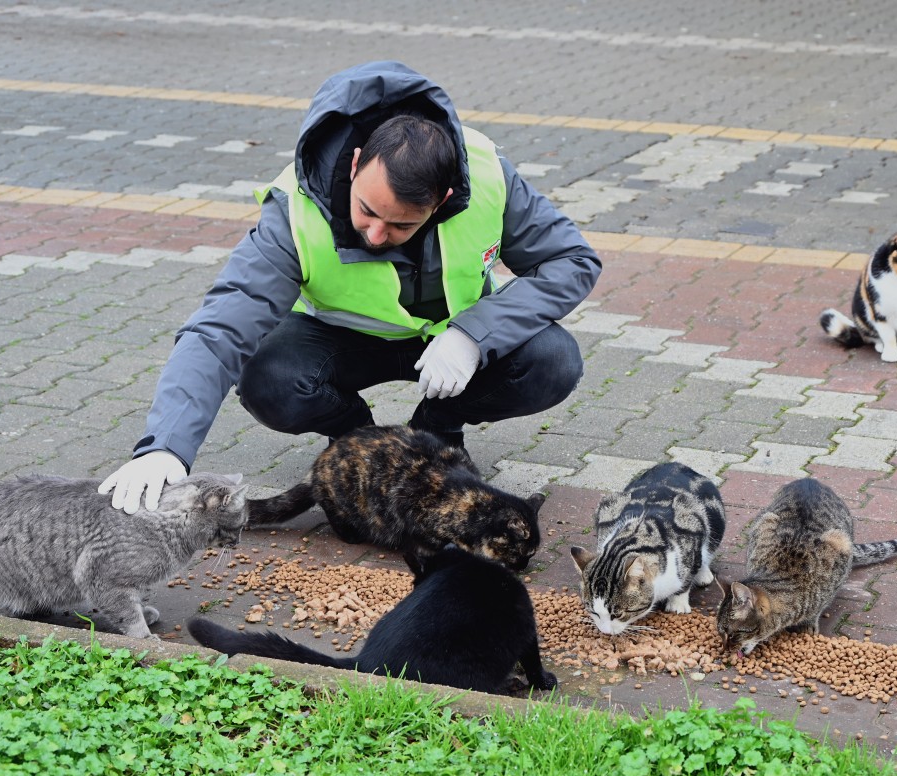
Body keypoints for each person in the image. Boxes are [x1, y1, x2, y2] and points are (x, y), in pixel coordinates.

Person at [99, 61, 601, 514]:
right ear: (357, 162)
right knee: (268, 380)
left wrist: (474, 334)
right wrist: (165, 446)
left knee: (553, 360)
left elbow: (572, 260)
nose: (377, 235)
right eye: (367, 211)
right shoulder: (295, 209)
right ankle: (365, 443)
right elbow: (220, 328)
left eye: (402, 225)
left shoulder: (487, 173)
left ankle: (437, 429)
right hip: (336, 340)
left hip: (449, 347)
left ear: (442, 199)